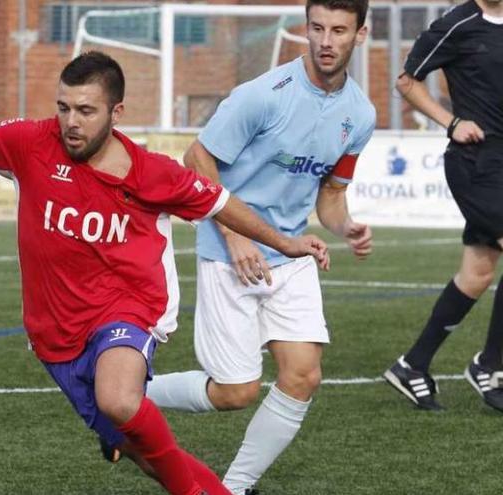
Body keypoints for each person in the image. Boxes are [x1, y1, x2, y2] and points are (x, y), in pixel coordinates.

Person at [0, 51, 330, 495]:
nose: (71, 122)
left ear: (115, 113)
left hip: (129, 308)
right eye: (63, 108)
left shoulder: (152, 173)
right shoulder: (30, 142)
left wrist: (285, 242)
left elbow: (222, 204)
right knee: (146, 456)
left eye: (85, 111)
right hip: (55, 334)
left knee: (119, 399)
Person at [142, 1, 376, 493]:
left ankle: (234, 486)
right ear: (305, 30)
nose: (326, 41)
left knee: (303, 376)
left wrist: (347, 226)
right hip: (229, 252)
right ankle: (130, 393)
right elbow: (197, 156)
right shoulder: (265, 94)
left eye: (338, 30)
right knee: (235, 392)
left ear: (360, 34)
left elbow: (330, 194)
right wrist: (234, 232)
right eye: (317, 28)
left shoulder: (360, 114)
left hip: (290, 254)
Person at [384, 0, 503, 412]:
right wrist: (451, 122)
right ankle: (489, 366)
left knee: (478, 272)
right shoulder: (458, 23)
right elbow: (407, 81)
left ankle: (412, 365)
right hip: (477, 163)